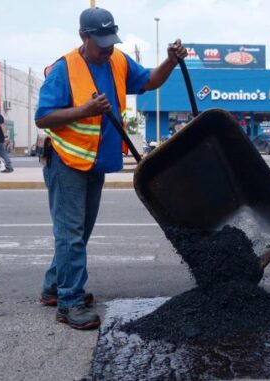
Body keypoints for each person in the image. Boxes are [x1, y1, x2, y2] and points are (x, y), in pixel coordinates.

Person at [34, 7, 187, 330]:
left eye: (111, 41)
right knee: (71, 234)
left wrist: (171, 60)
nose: (107, 48)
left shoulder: (116, 60)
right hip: (67, 162)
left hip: (96, 162)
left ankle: (53, 287)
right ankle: (69, 302)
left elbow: (151, 81)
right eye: (101, 42)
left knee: (79, 232)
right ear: (83, 37)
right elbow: (43, 117)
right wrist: (84, 110)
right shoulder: (64, 69)